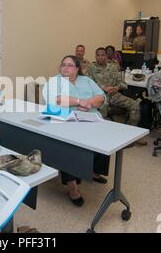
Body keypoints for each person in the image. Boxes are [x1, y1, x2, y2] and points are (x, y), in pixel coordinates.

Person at [42, 55, 107, 207]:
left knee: (104, 137)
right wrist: (79, 101)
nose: (65, 67)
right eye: (63, 64)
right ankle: (72, 186)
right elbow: (56, 99)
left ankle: (93, 171)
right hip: (65, 119)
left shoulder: (87, 81)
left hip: (89, 117)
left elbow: (101, 97)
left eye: (70, 65)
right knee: (68, 145)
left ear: (77, 68)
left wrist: (89, 104)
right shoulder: (54, 81)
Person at [88, 48, 147, 146]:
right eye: (98, 55)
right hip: (99, 96)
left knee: (135, 105)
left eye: (103, 55)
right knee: (102, 111)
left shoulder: (113, 67)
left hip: (114, 95)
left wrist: (116, 88)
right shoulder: (91, 68)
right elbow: (89, 84)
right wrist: (104, 88)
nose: (100, 57)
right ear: (95, 56)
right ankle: (98, 139)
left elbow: (123, 83)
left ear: (106, 56)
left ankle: (130, 134)